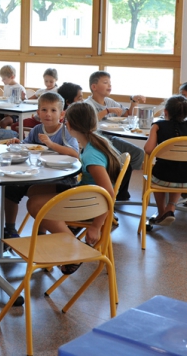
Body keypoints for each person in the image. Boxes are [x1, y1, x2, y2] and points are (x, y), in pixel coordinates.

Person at [26, 102, 119, 275]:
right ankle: (48, 238)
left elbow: (109, 193)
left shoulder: (92, 155)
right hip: (86, 196)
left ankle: (73, 248)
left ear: (68, 125)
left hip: (90, 205)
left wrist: (96, 227)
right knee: (35, 190)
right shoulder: (96, 143)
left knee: (34, 204)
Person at [0, 92, 80, 253]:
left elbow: (75, 154)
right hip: (39, 175)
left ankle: (42, 234)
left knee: (35, 196)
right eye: (44, 110)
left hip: (62, 180)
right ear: (38, 113)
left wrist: (50, 144)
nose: (48, 114)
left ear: (61, 114)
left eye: (53, 110)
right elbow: (27, 147)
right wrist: (17, 144)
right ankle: (10, 230)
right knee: (11, 186)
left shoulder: (65, 132)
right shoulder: (36, 129)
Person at [143, 95, 187, 227]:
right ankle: (171, 207)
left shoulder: (157, 126)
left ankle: (160, 212)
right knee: (180, 166)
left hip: (163, 178)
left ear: (165, 111)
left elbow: (148, 149)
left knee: (159, 172)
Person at [84, 70, 145, 198]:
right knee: (127, 156)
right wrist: (107, 111)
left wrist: (134, 101)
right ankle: (117, 189)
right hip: (97, 140)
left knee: (138, 153)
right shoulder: (87, 104)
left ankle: (119, 184)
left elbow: (128, 114)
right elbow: (89, 121)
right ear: (94, 87)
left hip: (110, 138)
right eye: (105, 82)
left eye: (110, 83)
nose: (109, 85)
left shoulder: (110, 101)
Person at [0, 64, 26, 130]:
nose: (2, 80)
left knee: (3, 122)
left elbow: (23, 104)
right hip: (5, 110)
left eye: (4, 79)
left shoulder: (19, 88)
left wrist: (23, 98)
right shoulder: (6, 86)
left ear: (12, 77)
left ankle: (3, 136)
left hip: (15, 113)